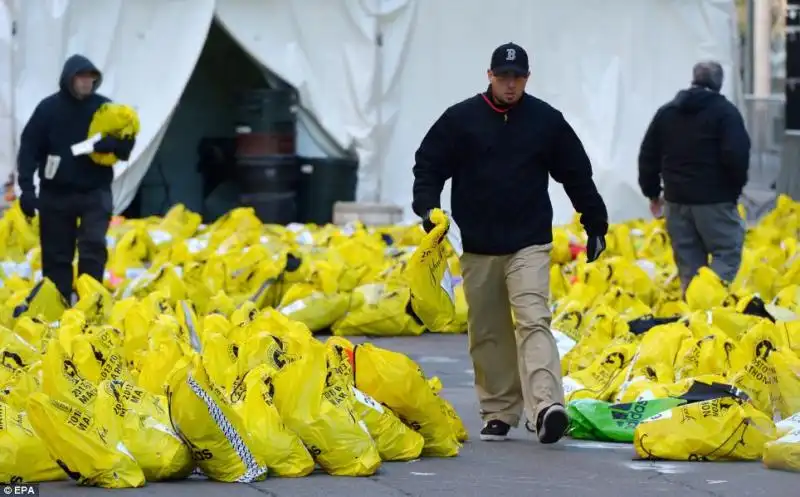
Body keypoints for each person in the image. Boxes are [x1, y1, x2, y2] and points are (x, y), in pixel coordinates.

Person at [412, 42, 609, 444]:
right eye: (503, 76)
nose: (510, 84)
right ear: (489, 76)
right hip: (479, 244)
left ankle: (547, 407)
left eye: (518, 77)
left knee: (534, 319)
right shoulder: (461, 120)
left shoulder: (545, 122)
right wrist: (427, 208)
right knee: (488, 331)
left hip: (529, 242)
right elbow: (428, 164)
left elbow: (576, 173)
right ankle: (499, 410)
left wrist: (595, 222)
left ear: (527, 79)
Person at [17, 54, 136, 302]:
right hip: (56, 193)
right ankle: (58, 305)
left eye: (90, 78)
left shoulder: (106, 110)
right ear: (68, 79)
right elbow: (29, 149)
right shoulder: (48, 110)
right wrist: (27, 190)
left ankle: (89, 303)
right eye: (80, 78)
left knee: (93, 247)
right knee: (56, 253)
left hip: (95, 191)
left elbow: (126, 146)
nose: (86, 83)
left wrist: (114, 144)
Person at [638, 61, 750, 293]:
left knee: (689, 264)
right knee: (727, 252)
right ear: (719, 83)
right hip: (714, 200)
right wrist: (733, 191)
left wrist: (652, 193)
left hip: (676, 200)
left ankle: (695, 316)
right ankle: (711, 304)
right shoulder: (725, 113)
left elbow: (648, 154)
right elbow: (736, 155)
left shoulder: (667, 112)